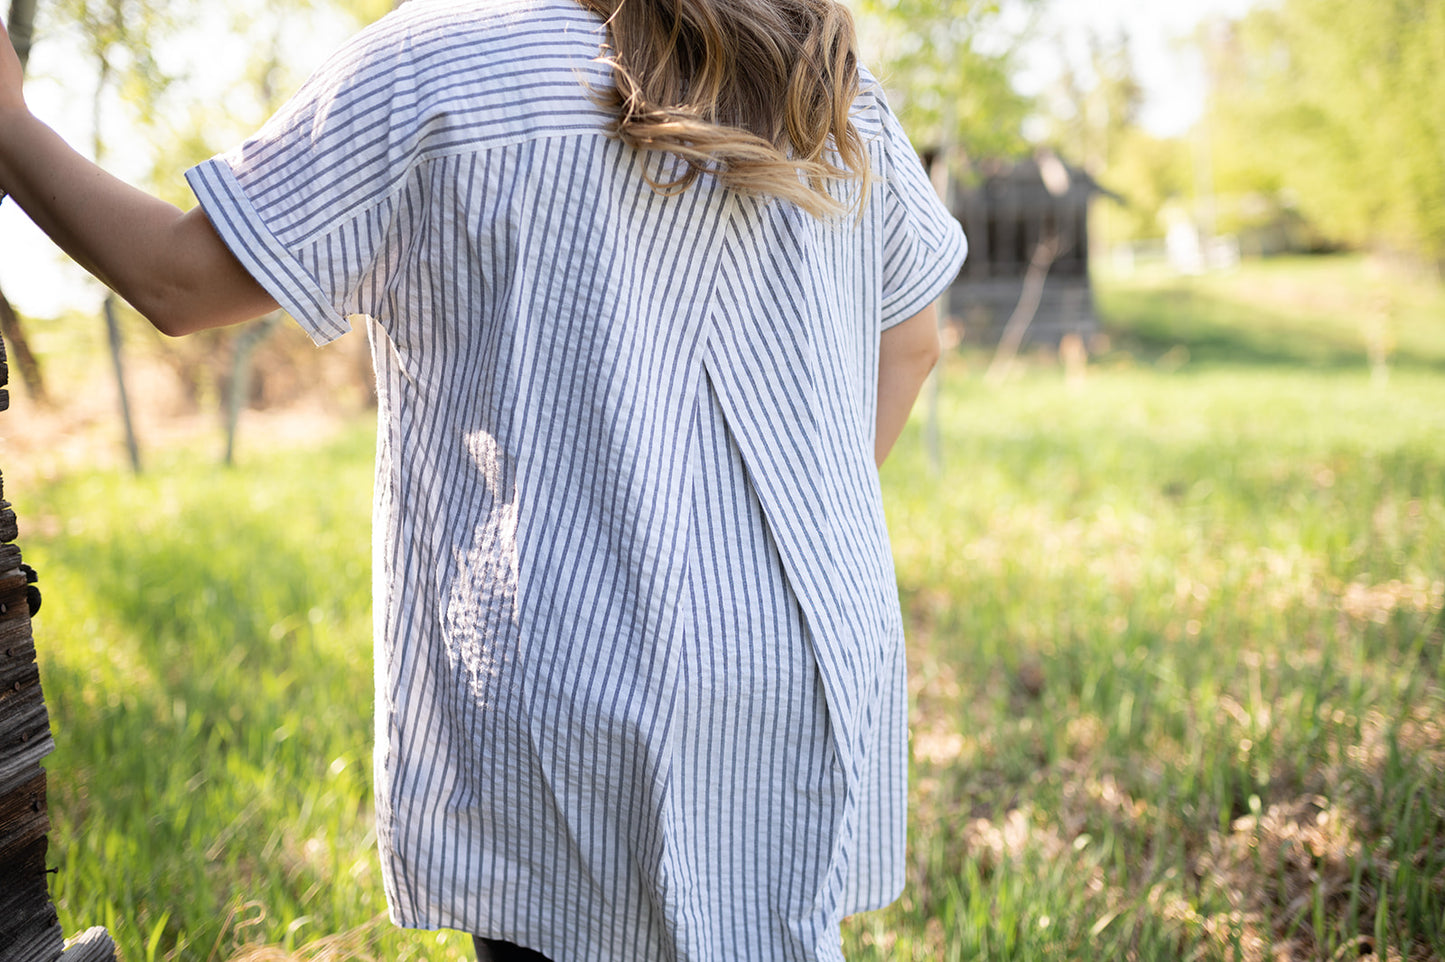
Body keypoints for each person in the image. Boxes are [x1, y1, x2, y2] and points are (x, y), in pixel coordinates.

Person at [0, 0, 965, 958]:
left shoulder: (433, 66)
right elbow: (911, 344)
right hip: (799, 659)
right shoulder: (823, 82)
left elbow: (177, 281)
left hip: (571, 673)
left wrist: (11, 127)